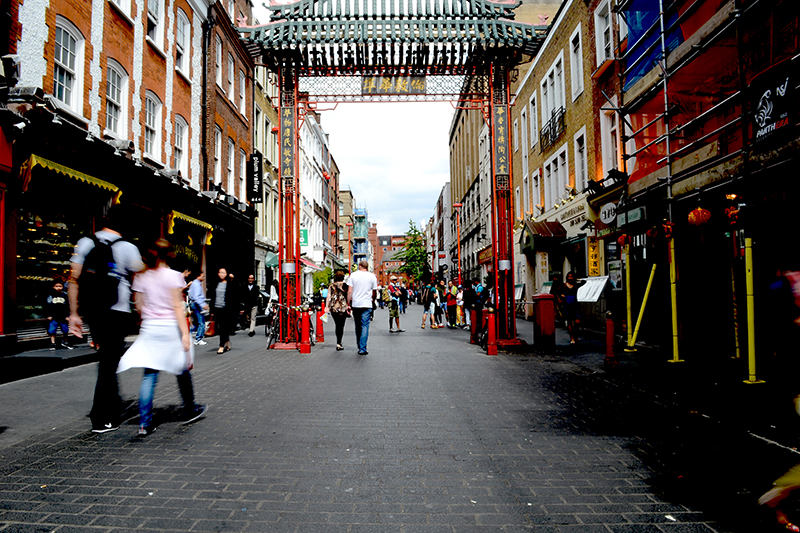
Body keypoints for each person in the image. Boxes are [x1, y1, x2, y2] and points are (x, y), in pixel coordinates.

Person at [117, 239, 207, 436]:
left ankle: (144, 422)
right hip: (169, 327)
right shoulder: (175, 277)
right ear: (170, 254)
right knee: (181, 368)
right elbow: (177, 306)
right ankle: (191, 408)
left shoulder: (142, 276)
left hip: (150, 327)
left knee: (150, 374)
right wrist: (185, 333)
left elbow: (138, 306)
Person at [69, 204, 144, 434]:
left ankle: (110, 405)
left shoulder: (85, 242)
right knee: (108, 362)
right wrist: (142, 312)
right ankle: (101, 418)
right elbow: (140, 283)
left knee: (107, 358)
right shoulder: (129, 248)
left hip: (94, 310)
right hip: (118, 310)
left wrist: (74, 314)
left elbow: (73, 279)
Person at [346, 260, 378, 355]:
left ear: (359, 266)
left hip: (356, 304)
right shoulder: (372, 276)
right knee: (365, 326)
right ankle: (363, 348)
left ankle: (359, 345)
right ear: (367, 267)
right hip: (367, 304)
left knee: (357, 325)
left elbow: (349, 291)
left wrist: (348, 303)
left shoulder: (353, 275)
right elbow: (374, 291)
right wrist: (373, 299)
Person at [556, 271, 583, 344]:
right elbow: (558, 292)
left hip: (575, 304)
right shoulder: (564, 285)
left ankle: (576, 335)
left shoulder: (576, 285)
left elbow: (584, 282)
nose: (570, 278)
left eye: (572, 276)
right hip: (567, 305)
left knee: (577, 322)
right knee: (569, 322)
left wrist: (578, 279)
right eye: (569, 276)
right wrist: (562, 296)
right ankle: (572, 337)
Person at [212, 267, 235, 354]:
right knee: (219, 328)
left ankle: (221, 346)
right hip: (217, 308)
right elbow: (213, 296)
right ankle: (227, 341)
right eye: (220, 272)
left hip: (226, 309)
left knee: (223, 327)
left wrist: (232, 279)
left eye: (223, 273)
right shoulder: (215, 283)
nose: (221, 274)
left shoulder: (230, 284)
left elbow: (234, 296)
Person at [326, 271, 349, 350]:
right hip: (343, 307)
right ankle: (339, 343)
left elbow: (328, 297)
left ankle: (338, 342)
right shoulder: (346, 286)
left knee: (337, 324)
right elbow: (349, 295)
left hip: (334, 307)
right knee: (341, 325)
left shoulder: (332, 286)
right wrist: (349, 305)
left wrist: (326, 307)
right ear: (343, 277)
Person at [46, 280, 72, 351]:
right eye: (56, 286)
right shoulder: (51, 295)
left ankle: (65, 341)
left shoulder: (65, 295)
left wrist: (68, 315)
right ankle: (53, 343)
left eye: (60, 286)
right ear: (53, 287)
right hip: (54, 316)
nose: (58, 288)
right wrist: (49, 315)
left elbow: (68, 306)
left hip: (63, 316)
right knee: (52, 330)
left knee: (65, 329)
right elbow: (48, 305)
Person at [188, 271, 209, 346]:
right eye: (202, 276)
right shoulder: (196, 284)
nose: (203, 277)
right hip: (197, 304)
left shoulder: (194, 283)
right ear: (198, 276)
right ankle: (198, 339)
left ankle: (189, 335)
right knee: (201, 322)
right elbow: (196, 296)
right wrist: (203, 304)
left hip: (194, 304)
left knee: (196, 322)